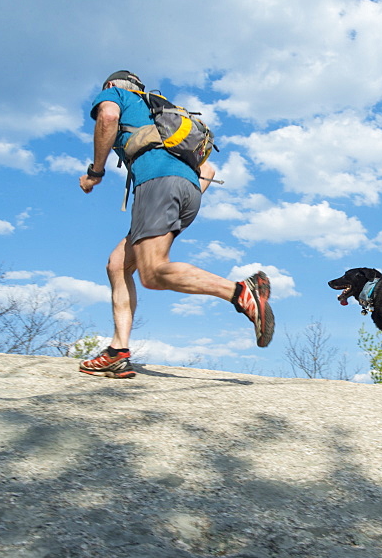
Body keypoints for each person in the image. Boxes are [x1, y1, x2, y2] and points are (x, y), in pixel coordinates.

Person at [77, 70, 273, 378]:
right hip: (190, 189)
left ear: (112, 85)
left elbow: (108, 118)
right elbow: (207, 167)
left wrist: (96, 172)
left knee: (153, 273)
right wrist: (183, 190)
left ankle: (240, 292)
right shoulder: (163, 113)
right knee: (118, 264)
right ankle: (117, 351)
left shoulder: (117, 95)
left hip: (157, 185)